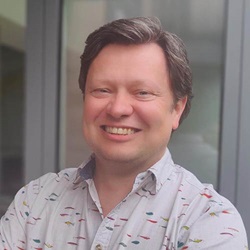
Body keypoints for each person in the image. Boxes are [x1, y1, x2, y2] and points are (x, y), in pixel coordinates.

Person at [0, 17, 248, 249]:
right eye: (102, 90)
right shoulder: (34, 201)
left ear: (177, 109)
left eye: (142, 92)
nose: (118, 109)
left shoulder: (209, 221)